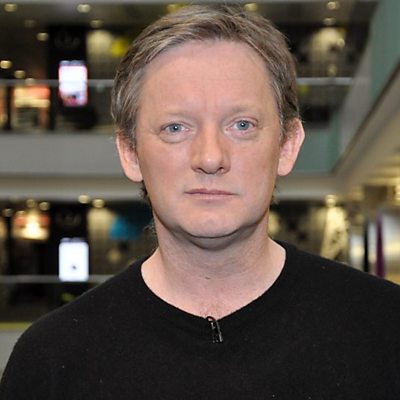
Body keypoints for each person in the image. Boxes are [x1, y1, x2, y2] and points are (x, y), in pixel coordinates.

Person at [1, 5, 400, 399]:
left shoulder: (386, 327)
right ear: (130, 152)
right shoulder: (50, 361)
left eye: (241, 125)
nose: (210, 157)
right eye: (176, 127)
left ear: (287, 145)